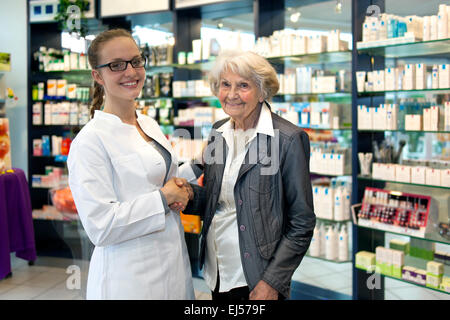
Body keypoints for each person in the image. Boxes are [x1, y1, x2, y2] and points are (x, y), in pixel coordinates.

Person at [67, 28, 195, 300]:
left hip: (172, 260)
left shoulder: (148, 123)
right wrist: (162, 199)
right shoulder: (90, 141)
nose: (131, 72)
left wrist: (198, 165)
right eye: (116, 65)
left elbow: (162, 182)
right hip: (128, 277)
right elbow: (100, 226)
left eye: (136, 61)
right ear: (97, 75)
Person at [179, 50, 316, 300]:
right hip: (216, 267)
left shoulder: (287, 139)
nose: (232, 94)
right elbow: (217, 201)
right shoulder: (218, 132)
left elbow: (302, 222)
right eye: (225, 84)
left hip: (254, 277)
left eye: (243, 85)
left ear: (262, 91)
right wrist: (187, 194)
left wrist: (272, 282)